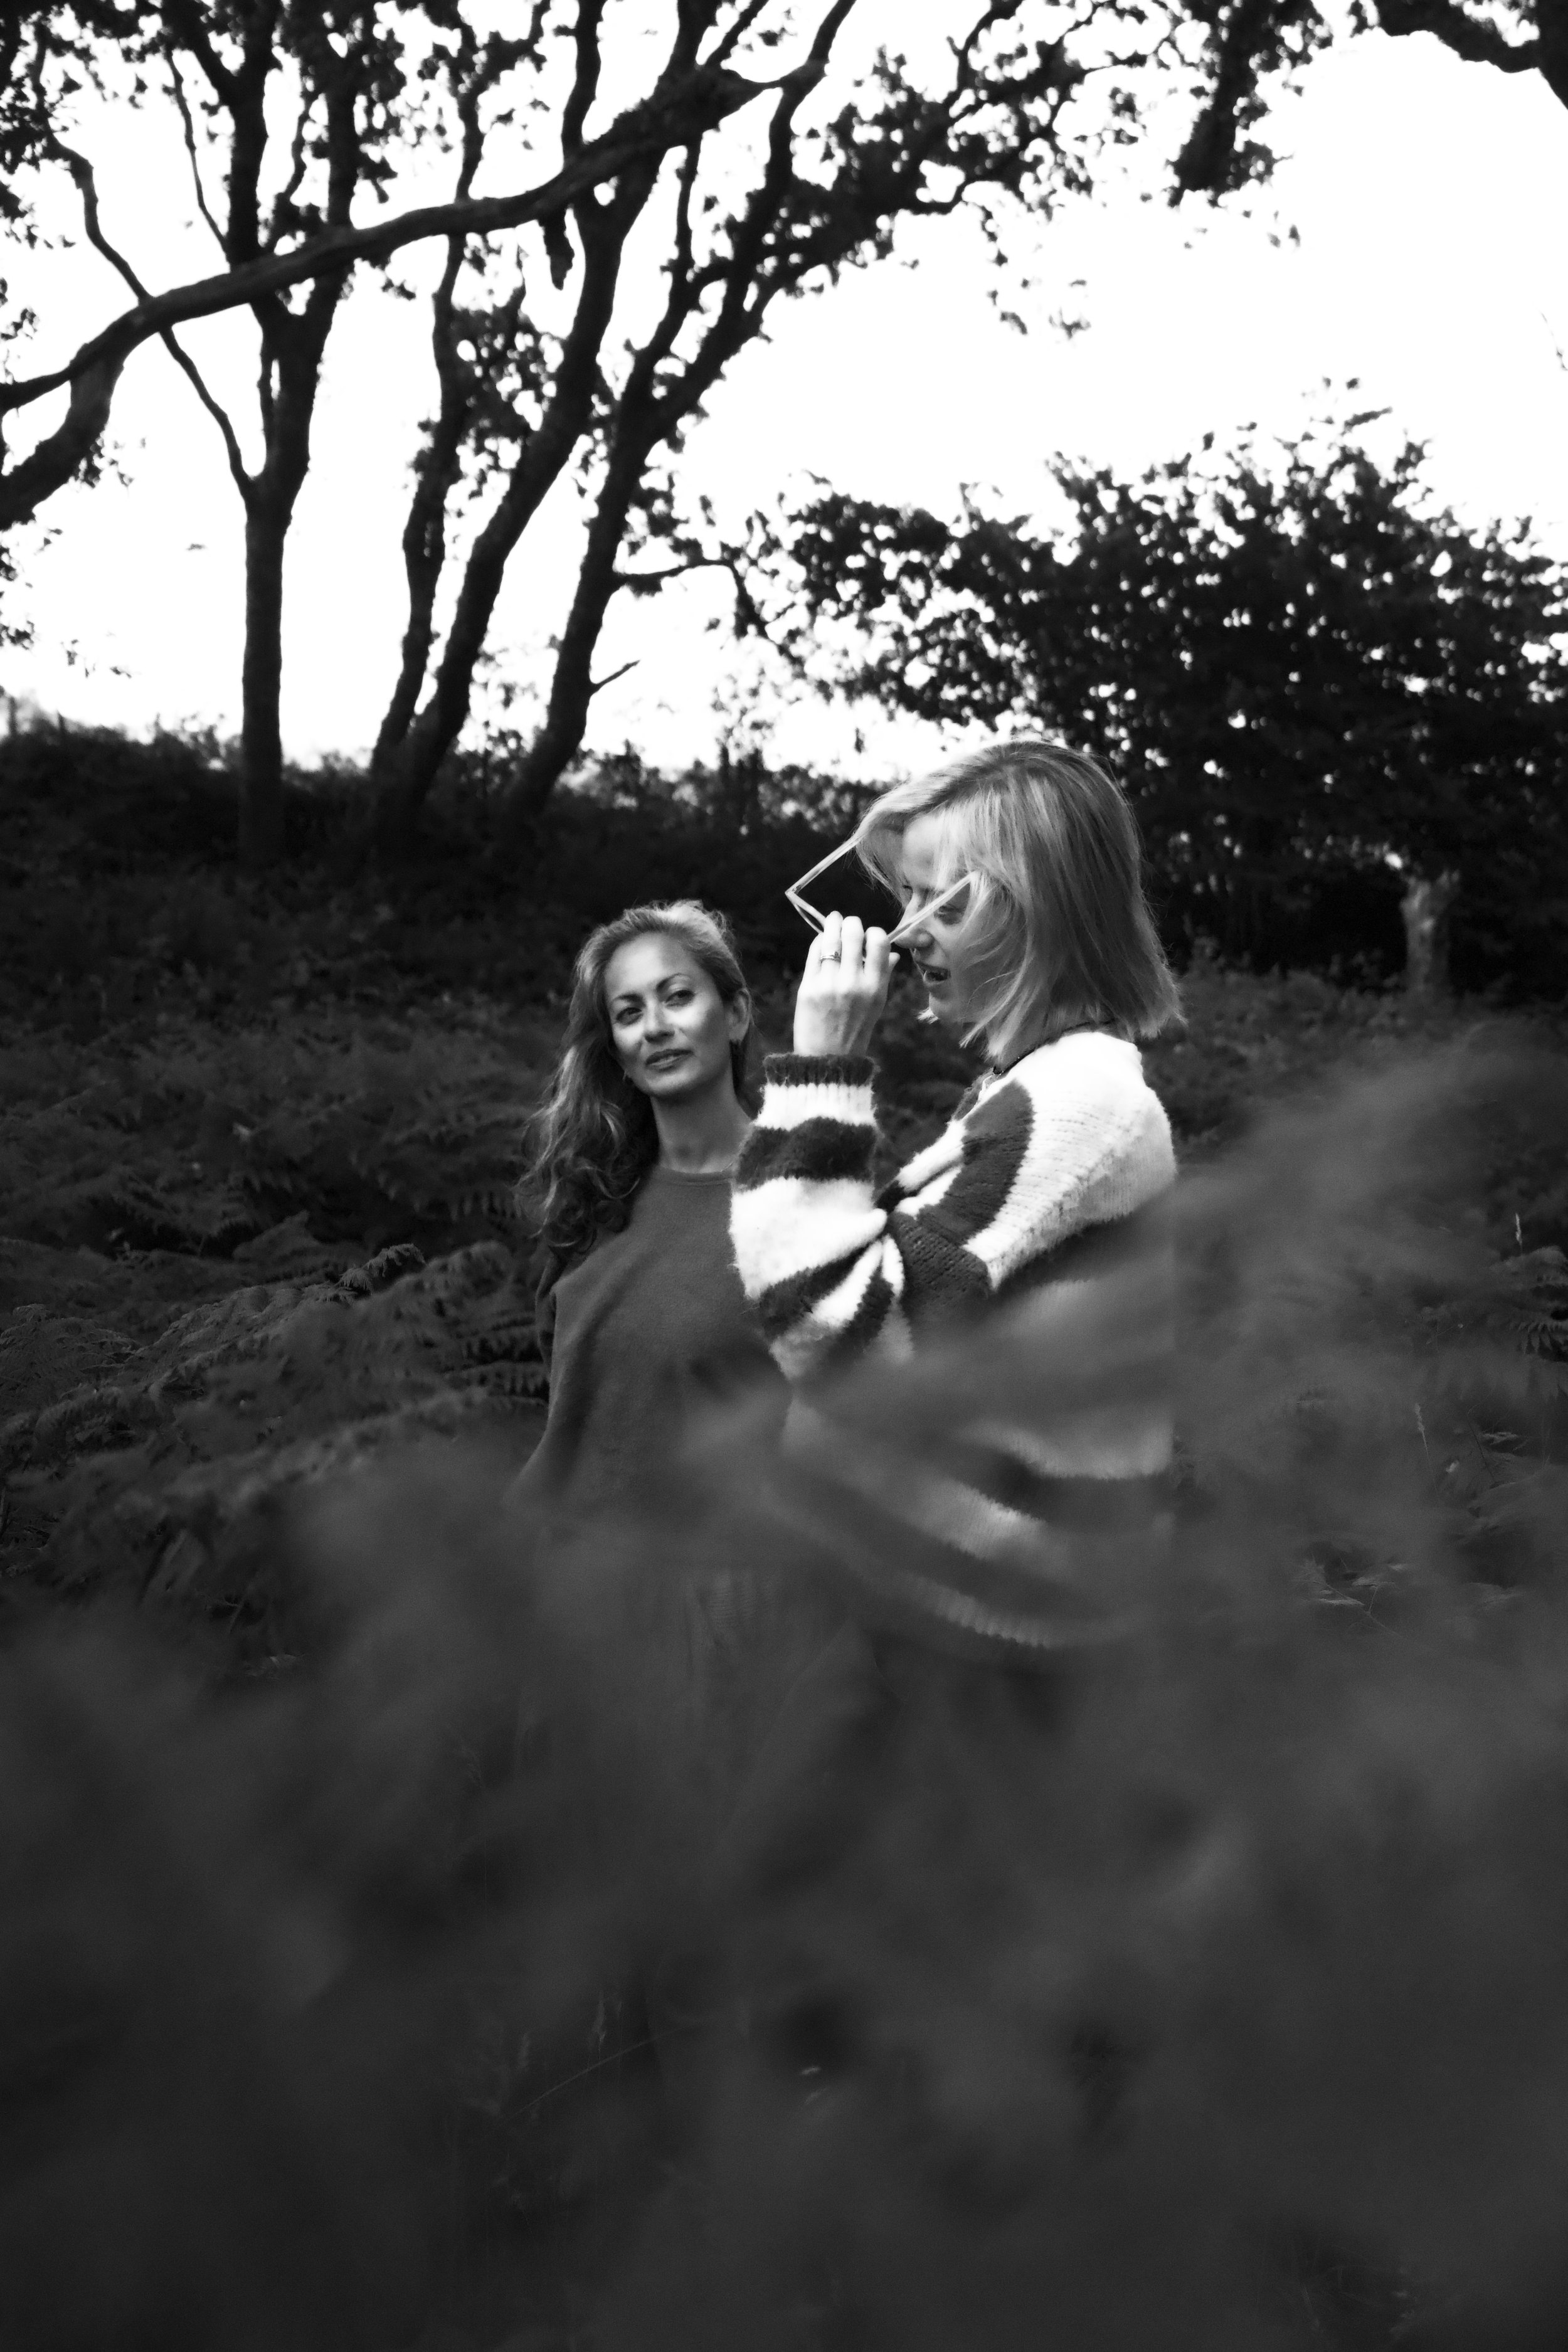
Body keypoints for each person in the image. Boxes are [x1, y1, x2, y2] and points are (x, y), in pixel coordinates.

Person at [731, 736, 1184, 1656]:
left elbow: (831, 1330)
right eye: (901, 897)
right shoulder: (1036, 1086)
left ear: (1039, 904)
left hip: (961, 1641)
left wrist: (824, 1065)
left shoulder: (1084, 1107)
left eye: (936, 897)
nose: (902, 933)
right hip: (920, 1607)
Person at [511, 899, 787, 1517]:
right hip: (558, 1582)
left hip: (715, 1593)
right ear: (618, 1054)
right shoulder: (591, 1200)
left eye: (677, 996)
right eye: (629, 1013)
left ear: (736, 1014)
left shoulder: (799, 1196)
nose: (655, 1027)